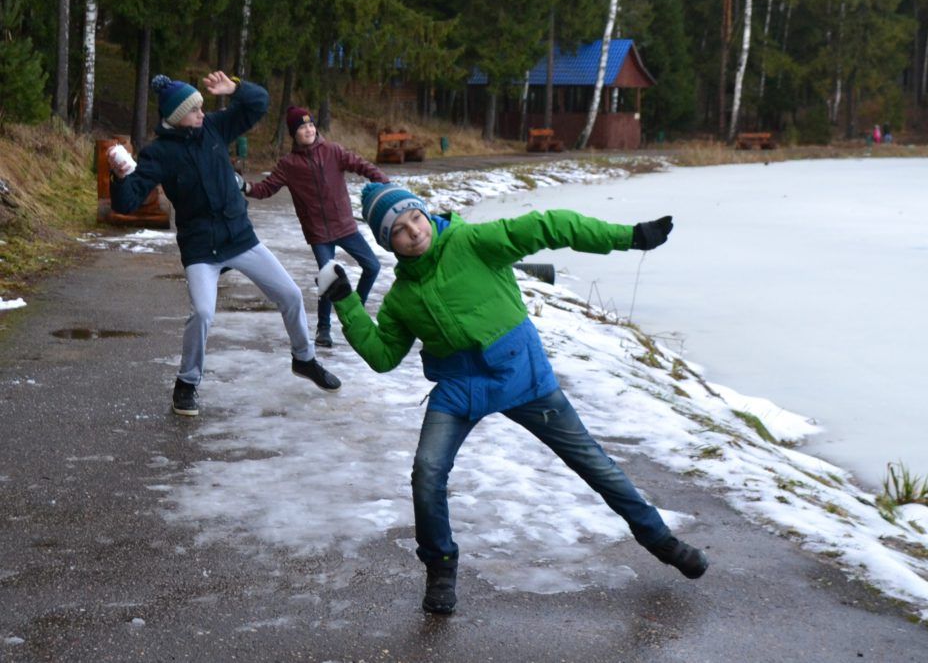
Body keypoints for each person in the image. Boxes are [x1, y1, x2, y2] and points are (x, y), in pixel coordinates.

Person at [317, 183, 709, 616]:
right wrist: (345, 302)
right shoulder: (402, 300)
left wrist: (629, 237)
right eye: (398, 230)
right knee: (427, 471)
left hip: (522, 375)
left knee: (592, 462)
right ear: (387, 242)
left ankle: (661, 540)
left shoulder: (474, 242)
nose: (413, 231)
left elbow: (550, 226)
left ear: (426, 213)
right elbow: (383, 355)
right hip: (460, 387)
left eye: (415, 217)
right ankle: (441, 565)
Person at [108, 72, 340, 417]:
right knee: (202, 313)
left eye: (203, 107)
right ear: (175, 117)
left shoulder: (214, 128)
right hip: (201, 248)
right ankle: (186, 384)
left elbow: (258, 104)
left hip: (240, 238)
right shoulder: (159, 154)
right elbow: (125, 203)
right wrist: (120, 174)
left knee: (290, 295)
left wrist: (236, 89)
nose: (202, 113)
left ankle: (304, 359)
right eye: (195, 110)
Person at [244, 106, 389, 348]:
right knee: (328, 277)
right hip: (319, 233)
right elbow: (266, 188)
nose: (308, 129)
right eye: (302, 127)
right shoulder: (288, 165)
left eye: (310, 124)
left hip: (344, 225)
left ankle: (356, 309)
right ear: (294, 133)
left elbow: (361, 165)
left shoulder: (333, 151)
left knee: (372, 266)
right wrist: (245, 187)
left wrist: (384, 182)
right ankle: (324, 328)